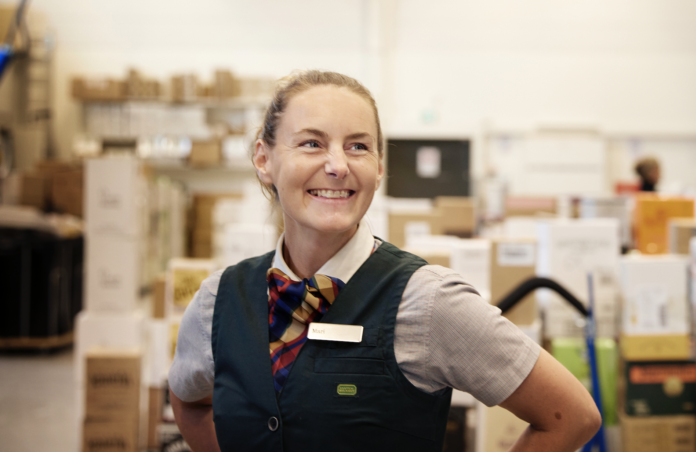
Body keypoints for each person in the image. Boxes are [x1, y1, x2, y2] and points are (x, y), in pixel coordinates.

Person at [168, 71, 601, 451]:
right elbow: (189, 401)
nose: (337, 165)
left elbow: (571, 416)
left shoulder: (428, 302)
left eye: (357, 146)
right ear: (264, 160)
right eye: (312, 143)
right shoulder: (217, 301)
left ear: (378, 167)